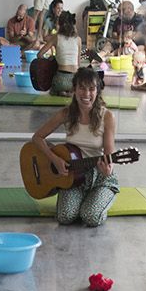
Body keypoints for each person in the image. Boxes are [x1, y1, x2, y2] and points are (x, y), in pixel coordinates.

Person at [31, 68, 120, 227]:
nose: (86, 94)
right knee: (65, 217)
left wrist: (108, 170)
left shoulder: (107, 117)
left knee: (90, 217)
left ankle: (101, 197)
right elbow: (37, 138)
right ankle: (84, 199)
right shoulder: (66, 113)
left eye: (91, 88)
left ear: (97, 90)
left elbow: (109, 155)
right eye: (82, 88)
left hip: (99, 177)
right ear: (74, 89)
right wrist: (55, 159)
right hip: (72, 177)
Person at [39, 11, 81, 95]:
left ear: (59, 24)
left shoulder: (56, 37)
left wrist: (49, 61)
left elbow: (39, 54)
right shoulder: (78, 39)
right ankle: (70, 91)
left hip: (60, 80)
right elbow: (78, 63)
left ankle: (60, 91)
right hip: (75, 81)